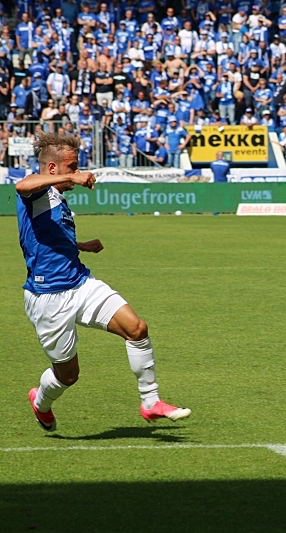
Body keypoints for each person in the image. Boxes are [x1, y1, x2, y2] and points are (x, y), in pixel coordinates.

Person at [15, 133, 192, 431]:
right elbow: (22, 185)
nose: (77, 171)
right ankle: (41, 401)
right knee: (68, 376)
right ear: (53, 169)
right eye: (71, 166)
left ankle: (151, 402)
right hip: (48, 297)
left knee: (136, 328)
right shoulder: (37, 192)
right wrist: (74, 177)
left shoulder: (57, 198)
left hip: (80, 282)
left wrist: (81, 245)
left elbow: (46, 238)